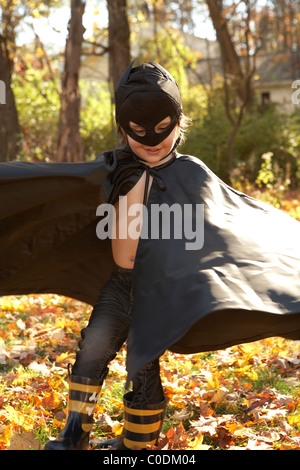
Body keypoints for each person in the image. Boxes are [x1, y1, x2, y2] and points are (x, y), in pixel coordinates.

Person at [0, 61, 300, 451]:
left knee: (142, 364)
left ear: (178, 123)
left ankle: (137, 445)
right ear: (124, 130)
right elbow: (49, 191)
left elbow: (233, 222)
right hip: (121, 284)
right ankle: (73, 437)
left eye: (162, 128)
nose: (152, 140)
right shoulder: (111, 170)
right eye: (139, 131)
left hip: (159, 285)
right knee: (92, 350)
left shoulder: (191, 173)